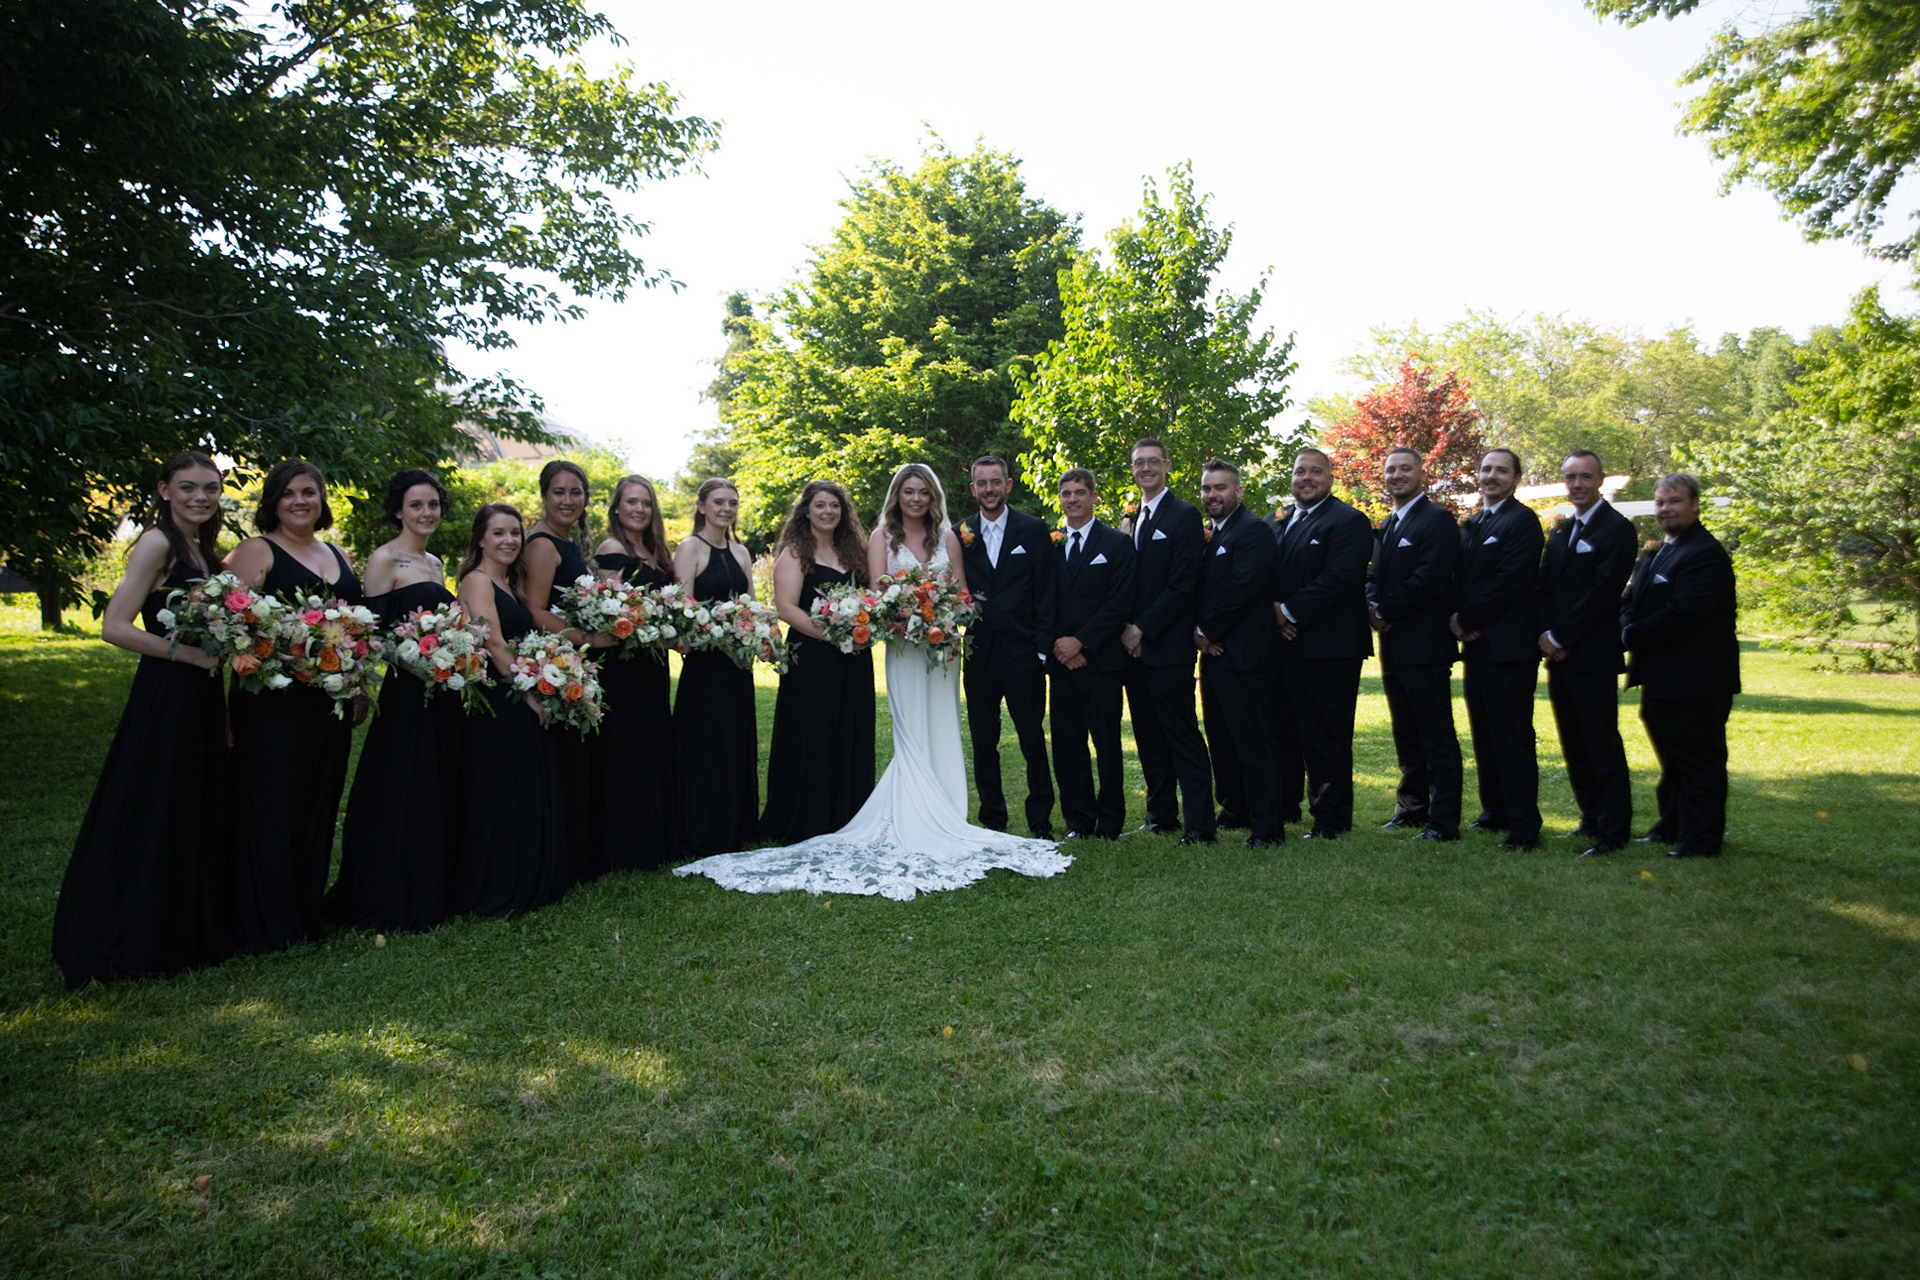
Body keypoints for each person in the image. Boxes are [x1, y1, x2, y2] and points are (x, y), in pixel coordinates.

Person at [675, 463, 1068, 898]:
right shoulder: (881, 538)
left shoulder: (947, 537)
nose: (915, 498)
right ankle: (902, 810)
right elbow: (877, 595)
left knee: (942, 726)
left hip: (941, 648)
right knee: (909, 731)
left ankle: (947, 810)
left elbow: (960, 592)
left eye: (922, 492)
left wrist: (942, 612)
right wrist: (903, 612)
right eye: (908, 491)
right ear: (896, 496)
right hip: (901, 648)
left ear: (932, 496)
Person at [51, 450, 230, 985]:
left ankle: (178, 929)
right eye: (188, 487)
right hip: (167, 692)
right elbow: (114, 626)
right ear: (164, 490)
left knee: (189, 805)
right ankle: (132, 932)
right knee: (155, 804)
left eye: (211, 488)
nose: (200, 497)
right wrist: (188, 656)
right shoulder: (157, 543)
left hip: (201, 694)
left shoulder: (201, 548)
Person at [224, 458, 364, 954]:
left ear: (322, 499)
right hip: (272, 704)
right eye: (288, 493)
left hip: (328, 705)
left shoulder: (338, 553)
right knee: (272, 806)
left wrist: (357, 685)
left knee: (317, 802)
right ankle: (266, 920)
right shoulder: (255, 551)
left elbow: (355, 632)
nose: (300, 501)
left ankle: (304, 913)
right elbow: (228, 632)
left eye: (309, 492)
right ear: (273, 501)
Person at [329, 469, 462, 931]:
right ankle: (389, 888)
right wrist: (413, 662)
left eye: (433, 505)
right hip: (407, 689)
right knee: (403, 785)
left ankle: (432, 880)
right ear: (399, 512)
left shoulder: (436, 563)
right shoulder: (385, 558)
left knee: (436, 782)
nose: (427, 513)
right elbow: (371, 633)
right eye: (417, 505)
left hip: (443, 688)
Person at [449, 504, 570, 914]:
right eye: (498, 533)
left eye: (515, 533)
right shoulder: (477, 580)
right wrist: (530, 691)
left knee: (522, 786)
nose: (509, 540)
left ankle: (528, 872)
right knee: (502, 789)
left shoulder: (508, 582)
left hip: (516, 690)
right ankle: (501, 881)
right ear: (481, 539)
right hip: (500, 698)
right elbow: (494, 643)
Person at [1622, 473, 1741, 857]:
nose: (1666, 509)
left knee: (1699, 761)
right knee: (1673, 760)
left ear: (1695, 505)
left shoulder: (1704, 554)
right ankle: (1671, 827)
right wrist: (1626, 624)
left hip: (1698, 678)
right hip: (1662, 677)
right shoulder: (1662, 550)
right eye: (1660, 502)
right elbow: (1631, 600)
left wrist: (1631, 634)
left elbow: (1683, 614)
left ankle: (1701, 841)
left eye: (1675, 501)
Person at [757, 479, 876, 845]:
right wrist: (832, 635)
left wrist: (861, 630)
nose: (828, 511)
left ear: (843, 512)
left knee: (849, 729)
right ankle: (810, 815)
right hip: (812, 658)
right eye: (821, 505)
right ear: (806, 511)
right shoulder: (795, 553)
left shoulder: (853, 551)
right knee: (814, 732)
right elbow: (786, 608)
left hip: (853, 660)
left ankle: (847, 813)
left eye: (834, 506)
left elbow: (869, 598)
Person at [1536, 451, 1636, 857]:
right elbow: (1544, 586)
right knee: (1573, 742)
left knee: (1600, 743)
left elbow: (1603, 594)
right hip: (1559, 654)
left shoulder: (1618, 529)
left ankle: (1613, 831)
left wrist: (1561, 636)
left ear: (1600, 481)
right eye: (1570, 477)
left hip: (1592, 655)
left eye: (1585, 477)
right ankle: (1590, 817)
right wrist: (1546, 635)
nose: (1577, 484)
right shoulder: (1562, 531)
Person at [1270, 448, 1373, 840]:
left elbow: (1340, 578)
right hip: (1285, 646)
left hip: (1330, 648)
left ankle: (1331, 818)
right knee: (1284, 731)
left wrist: (1288, 612)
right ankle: (1285, 805)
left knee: (1325, 735)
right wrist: (1272, 615)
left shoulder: (1348, 521)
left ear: (1331, 477)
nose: (1306, 478)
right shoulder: (1278, 520)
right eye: (1300, 472)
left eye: (1315, 472)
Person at [954, 455, 1057, 837]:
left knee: (1032, 737)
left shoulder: (1033, 529)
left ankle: (1040, 819)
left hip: (1023, 654)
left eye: (995, 482)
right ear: (973, 489)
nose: (989, 489)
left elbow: (1047, 591)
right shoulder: (960, 532)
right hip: (979, 653)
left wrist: (1041, 649)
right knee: (984, 740)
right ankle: (992, 818)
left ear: (1008, 485)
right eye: (982, 483)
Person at [1118, 438, 1215, 845]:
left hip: (1168, 647)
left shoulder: (1184, 515)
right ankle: (1161, 815)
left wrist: (1142, 629)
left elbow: (1182, 584)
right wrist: (1127, 629)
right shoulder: (1131, 518)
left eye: (1153, 462)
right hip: (1133, 649)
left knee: (1182, 735)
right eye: (1139, 463)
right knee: (1148, 735)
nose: (1145, 468)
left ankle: (1200, 825)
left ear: (1167, 466)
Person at [1367, 447, 1464, 842]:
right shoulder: (1389, 523)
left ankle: (1443, 821)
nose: (1397, 475)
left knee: (1435, 734)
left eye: (1405, 469)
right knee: (1406, 733)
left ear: (1421, 474)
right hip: (1393, 646)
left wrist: (1385, 610)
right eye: (1391, 470)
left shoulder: (1437, 520)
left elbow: (1430, 578)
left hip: (1425, 646)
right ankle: (1412, 808)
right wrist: (1371, 606)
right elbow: (1373, 576)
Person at [1451, 449, 1547, 850]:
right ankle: (1495, 811)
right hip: (1479, 647)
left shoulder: (1522, 521)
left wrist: (1467, 619)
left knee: (1511, 736)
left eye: (1501, 470)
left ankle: (1524, 826)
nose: (1491, 476)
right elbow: (1460, 577)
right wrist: (1462, 619)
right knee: (1485, 734)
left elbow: (1511, 581)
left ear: (1516, 478)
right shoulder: (1477, 521)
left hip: (1509, 648)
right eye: (1486, 469)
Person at [1194, 460, 1285, 847]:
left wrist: (1205, 631)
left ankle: (1268, 828)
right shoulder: (1215, 532)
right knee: (1223, 739)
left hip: (1247, 657)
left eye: (1220, 488)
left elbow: (1244, 590)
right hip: (1217, 658)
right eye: (1207, 489)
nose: (1212, 495)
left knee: (1253, 743)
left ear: (1238, 491)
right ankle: (1236, 809)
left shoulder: (1253, 531)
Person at [589, 475, 677, 872]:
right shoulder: (612, 549)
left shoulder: (656, 552)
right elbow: (611, 610)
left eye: (645, 503)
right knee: (628, 748)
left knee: (653, 743)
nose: (639, 509)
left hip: (653, 664)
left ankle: (654, 838)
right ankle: (627, 846)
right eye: (631, 502)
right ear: (616, 508)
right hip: (622, 664)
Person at [521, 459, 602, 885]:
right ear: (544, 495)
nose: (568, 500)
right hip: (555, 667)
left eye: (576, 492)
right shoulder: (542, 545)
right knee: (563, 764)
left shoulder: (567, 542)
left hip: (572, 664)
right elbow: (534, 611)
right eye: (559, 492)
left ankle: (578, 853)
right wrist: (590, 637)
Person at [671, 478, 761, 857]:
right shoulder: (690, 548)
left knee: (735, 743)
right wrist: (719, 634)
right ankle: (703, 829)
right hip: (705, 667)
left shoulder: (741, 552)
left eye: (732, 503)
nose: (726, 509)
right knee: (707, 747)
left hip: (738, 667)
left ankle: (736, 824)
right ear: (702, 506)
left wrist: (758, 634)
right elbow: (681, 612)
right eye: (719, 502)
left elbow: (751, 606)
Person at [1047, 468, 1135, 840]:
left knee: (1107, 744)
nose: (1072, 499)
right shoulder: (1050, 544)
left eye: (1080, 492)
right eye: (1066, 493)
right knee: (1067, 745)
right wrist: (1061, 645)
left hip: (1103, 662)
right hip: (1061, 663)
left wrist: (1082, 642)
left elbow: (1119, 601)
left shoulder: (1117, 543)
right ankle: (1078, 820)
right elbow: (1042, 599)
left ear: (1094, 496)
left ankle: (1110, 820)